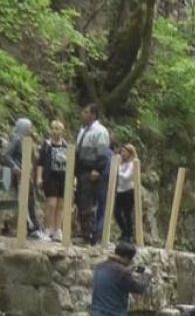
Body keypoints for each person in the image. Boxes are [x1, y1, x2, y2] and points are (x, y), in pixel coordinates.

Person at [74, 104, 112, 245]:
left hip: (91, 170)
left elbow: (102, 154)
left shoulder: (100, 131)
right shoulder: (83, 130)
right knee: (81, 201)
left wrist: (97, 169)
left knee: (88, 202)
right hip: (81, 170)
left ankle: (91, 235)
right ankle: (84, 232)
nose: (82, 114)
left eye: (86, 112)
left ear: (93, 115)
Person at [2, 117, 43, 239]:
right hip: (20, 175)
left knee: (31, 201)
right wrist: (15, 168)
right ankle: (30, 228)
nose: (30, 130)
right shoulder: (16, 138)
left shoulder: (26, 140)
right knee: (24, 201)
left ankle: (35, 228)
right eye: (29, 127)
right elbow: (6, 155)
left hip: (27, 174)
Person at [37, 120, 69, 242]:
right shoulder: (46, 145)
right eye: (53, 128)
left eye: (57, 128)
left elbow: (72, 164)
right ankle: (48, 228)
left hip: (63, 177)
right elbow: (40, 163)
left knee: (61, 205)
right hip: (50, 177)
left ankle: (58, 229)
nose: (54, 131)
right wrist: (39, 177)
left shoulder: (66, 146)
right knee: (51, 204)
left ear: (62, 131)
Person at [113, 144, 138, 243]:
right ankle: (124, 230)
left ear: (130, 153)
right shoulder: (121, 164)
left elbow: (126, 176)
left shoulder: (132, 164)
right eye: (121, 151)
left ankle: (129, 234)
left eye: (124, 152)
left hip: (129, 190)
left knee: (127, 213)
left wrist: (117, 170)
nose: (122, 154)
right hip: (120, 190)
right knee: (117, 212)